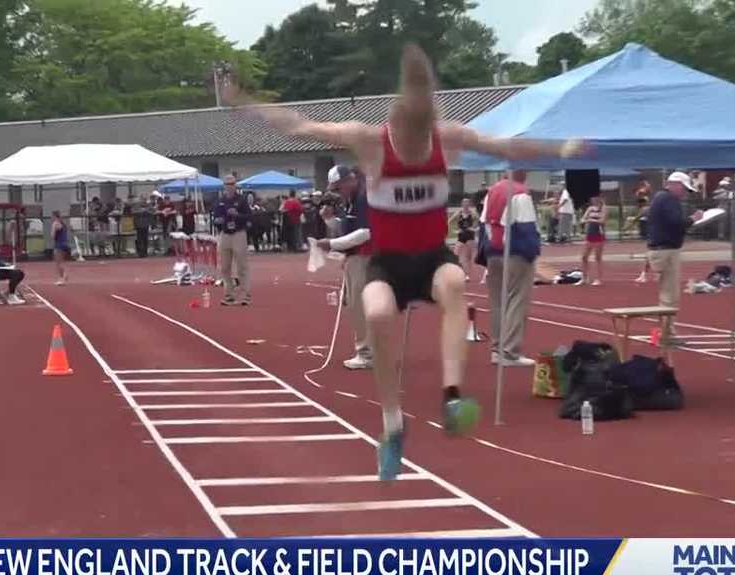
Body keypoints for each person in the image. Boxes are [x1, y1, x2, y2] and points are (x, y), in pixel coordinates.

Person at [233, 43, 583, 480]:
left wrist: (561, 148)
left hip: (432, 257)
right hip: (389, 263)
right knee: (377, 312)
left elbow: (505, 145)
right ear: (398, 126)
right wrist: (247, 104)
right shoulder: (367, 139)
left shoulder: (448, 137)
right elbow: (301, 128)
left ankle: (452, 394)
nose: (419, 149)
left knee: (455, 283)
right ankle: (392, 422)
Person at [315, 165, 374, 371]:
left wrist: (332, 245)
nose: (338, 193)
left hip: (365, 257)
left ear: (350, 181)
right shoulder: (350, 200)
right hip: (354, 257)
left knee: (360, 306)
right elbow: (346, 229)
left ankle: (367, 353)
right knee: (354, 304)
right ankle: (367, 350)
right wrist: (329, 219)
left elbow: (365, 233)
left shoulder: (364, 198)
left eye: (339, 188)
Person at [481, 170, 539, 367]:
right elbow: (527, 228)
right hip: (514, 252)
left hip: (493, 252)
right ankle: (510, 351)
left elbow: (484, 224)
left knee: (497, 302)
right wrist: (533, 253)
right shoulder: (520, 193)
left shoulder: (493, 191)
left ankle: (497, 349)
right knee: (517, 299)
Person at [647, 172, 701, 341]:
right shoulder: (668, 199)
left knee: (667, 294)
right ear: (676, 185)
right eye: (684, 189)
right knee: (670, 295)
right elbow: (675, 223)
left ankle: (665, 330)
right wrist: (693, 219)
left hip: (660, 249)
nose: (685, 193)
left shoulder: (660, 198)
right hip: (666, 250)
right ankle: (667, 333)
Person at [212, 175, 252, 306]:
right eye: (227, 184)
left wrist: (237, 215)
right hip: (225, 234)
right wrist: (217, 221)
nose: (229, 186)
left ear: (235, 185)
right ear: (224, 185)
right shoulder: (220, 200)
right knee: (225, 267)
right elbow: (216, 217)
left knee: (242, 265)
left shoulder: (241, 200)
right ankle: (229, 294)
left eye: (231, 184)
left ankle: (246, 294)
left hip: (238, 233)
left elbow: (249, 217)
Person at [579, 194, 607, 285]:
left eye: (595, 197)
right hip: (590, 234)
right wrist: (584, 220)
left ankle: (599, 279)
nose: (593, 199)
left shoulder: (604, 208)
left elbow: (603, 220)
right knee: (584, 257)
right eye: (592, 198)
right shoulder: (590, 208)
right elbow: (583, 218)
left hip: (599, 234)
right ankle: (584, 278)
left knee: (598, 257)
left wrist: (591, 220)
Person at [450, 197, 478, 281]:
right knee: (455, 255)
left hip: (470, 237)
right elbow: (449, 221)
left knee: (468, 257)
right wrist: (455, 231)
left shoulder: (472, 214)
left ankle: (466, 275)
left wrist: (474, 229)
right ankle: (457, 273)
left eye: (468, 203)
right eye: (464, 203)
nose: (466, 205)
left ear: (469, 205)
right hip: (461, 236)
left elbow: (480, 223)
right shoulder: (458, 213)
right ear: (462, 204)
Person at [633, 180, 655, 283]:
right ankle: (644, 274)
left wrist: (646, 186)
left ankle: (645, 275)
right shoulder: (646, 208)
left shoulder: (646, 208)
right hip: (652, 234)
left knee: (651, 255)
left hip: (655, 234)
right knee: (651, 255)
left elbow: (637, 217)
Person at [51, 211, 70, 285]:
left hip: (59, 244)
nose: (51, 218)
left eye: (52, 216)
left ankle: (61, 278)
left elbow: (52, 235)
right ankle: (64, 275)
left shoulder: (55, 224)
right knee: (61, 262)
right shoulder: (63, 224)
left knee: (58, 263)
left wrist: (53, 229)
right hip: (64, 244)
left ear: (55, 216)